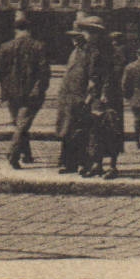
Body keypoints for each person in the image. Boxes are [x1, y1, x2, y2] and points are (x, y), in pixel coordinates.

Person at [0, 12, 50, 169]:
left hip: (11, 93)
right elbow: (44, 72)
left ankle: (27, 154)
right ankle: (13, 154)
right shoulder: (39, 46)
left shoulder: (5, 47)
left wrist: (6, 87)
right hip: (31, 94)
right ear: (30, 30)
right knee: (22, 125)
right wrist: (39, 89)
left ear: (15, 30)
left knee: (19, 123)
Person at [55, 15, 100, 174]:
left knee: (80, 131)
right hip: (68, 97)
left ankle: (81, 163)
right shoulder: (74, 53)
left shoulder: (91, 53)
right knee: (67, 130)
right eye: (73, 38)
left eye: (77, 37)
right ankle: (67, 163)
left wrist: (88, 99)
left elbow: (93, 78)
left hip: (80, 97)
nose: (74, 40)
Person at [85, 31, 126, 178]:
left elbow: (112, 75)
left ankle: (113, 166)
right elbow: (92, 76)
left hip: (110, 99)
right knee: (95, 132)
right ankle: (97, 164)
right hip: (97, 98)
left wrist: (105, 92)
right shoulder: (92, 51)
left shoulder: (112, 54)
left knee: (112, 130)